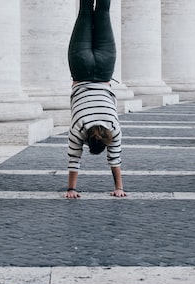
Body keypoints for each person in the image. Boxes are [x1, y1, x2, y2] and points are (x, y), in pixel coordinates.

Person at [65, 0, 126, 199]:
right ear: (88, 142)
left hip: (104, 69)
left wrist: (120, 188)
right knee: (84, 10)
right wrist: (71, 190)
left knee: (103, 11)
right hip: (81, 69)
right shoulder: (78, 129)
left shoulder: (113, 129)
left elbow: (115, 161)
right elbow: (74, 160)